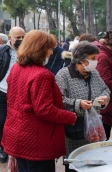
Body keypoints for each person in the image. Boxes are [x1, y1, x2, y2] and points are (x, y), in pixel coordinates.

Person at [2, 30, 77, 172]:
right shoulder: (42, 75)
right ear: (39, 50)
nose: (51, 53)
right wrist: (71, 116)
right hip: (36, 141)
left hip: (17, 134)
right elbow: (44, 110)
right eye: (49, 49)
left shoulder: (17, 67)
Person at [55, 41, 110, 172]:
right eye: (92, 59)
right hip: (74, 129)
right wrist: (78, 104)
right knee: (75, 163)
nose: (95, 62)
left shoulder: (94, 74)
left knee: (93, 162)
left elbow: (105, 89)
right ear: (80, 60)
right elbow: (58, 101)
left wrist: (104, 98)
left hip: (94, 127)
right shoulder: (63, 76)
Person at [0, 27, 25, 163]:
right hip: (3, 90)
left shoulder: (27, 50)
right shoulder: (3, 50)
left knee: (15, 121)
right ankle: (3, 148)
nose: (21, 40)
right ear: (11, 37)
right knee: (2, 120)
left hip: (18, 92)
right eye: (18, 38)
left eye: (23, 37)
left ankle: (11, 148)